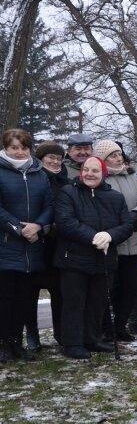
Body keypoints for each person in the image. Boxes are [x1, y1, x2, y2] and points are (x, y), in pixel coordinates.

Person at [55, 156, 134, 359]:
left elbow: (126, 225)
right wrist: (93, 237)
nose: (90, 174)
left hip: (104, 259)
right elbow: (66, 222)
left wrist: (110, 235)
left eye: (95, 171)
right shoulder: (68, 192)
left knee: (96, 302)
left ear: (103, 174)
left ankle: (92, 339)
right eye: (86, 170)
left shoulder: (115, 197)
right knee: (74, 302)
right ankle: (72, 343)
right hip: (73, 259)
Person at [0, 129, 53, 362]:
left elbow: (50, 205)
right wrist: (18, 228)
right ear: (5, 149)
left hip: (32, 247)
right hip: (6, 245)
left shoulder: (39, 173)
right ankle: (3, 345)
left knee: (23, 299)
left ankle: (16, 342)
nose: (19, 152)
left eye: (23, 148)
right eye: (14, 148)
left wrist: (39, 226)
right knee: (5, 299)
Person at [95, 140, 137, 342]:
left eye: (119, 154)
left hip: (134, 240)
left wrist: (136, 215)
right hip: (112, 241)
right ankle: (105, 328)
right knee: (110, 288)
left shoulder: (132, 175)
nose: (119, 158)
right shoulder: (100, 178)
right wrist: (119, 224)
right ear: (103, 159)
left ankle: (120, 326)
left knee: (131, 287)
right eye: (113, 155)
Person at [26, 141, 69, 349]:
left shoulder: (65, 181)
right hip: (34, 242)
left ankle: (61, 334)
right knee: (29, 294)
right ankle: (32, 336)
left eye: (59, 158)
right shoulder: (32, 178)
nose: (55, 161)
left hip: (58, 245)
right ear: (40, 158)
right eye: (51, 157)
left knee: (59, 293)